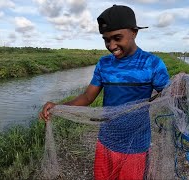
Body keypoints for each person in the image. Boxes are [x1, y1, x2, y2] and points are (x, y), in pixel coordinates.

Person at [40, 4, 170, 180]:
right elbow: (87, 97)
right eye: (106, 39)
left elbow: (168, 94)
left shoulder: (152, 64)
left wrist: (179, 90)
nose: (111, 45)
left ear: (134, 32)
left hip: (135, 146)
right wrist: (58, 107)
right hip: (106, 141)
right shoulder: (104, 64)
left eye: (117, 38)